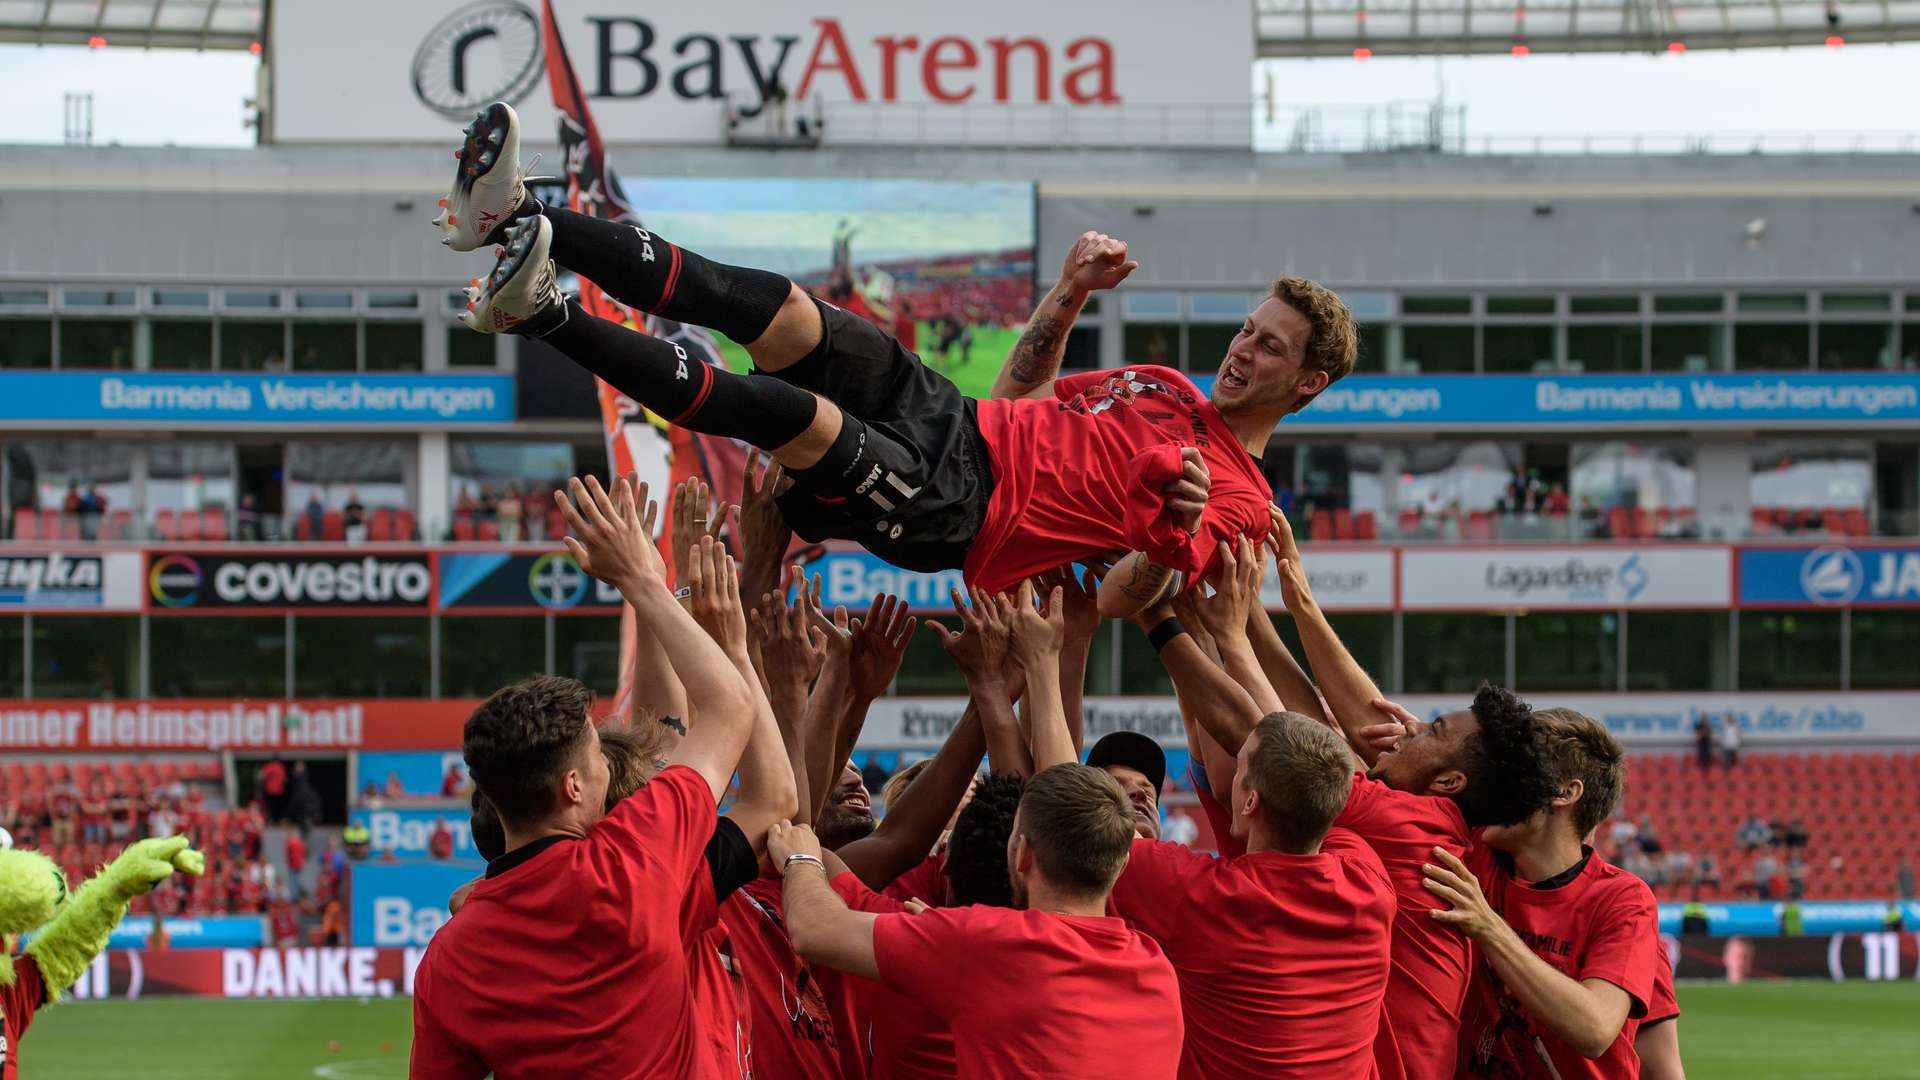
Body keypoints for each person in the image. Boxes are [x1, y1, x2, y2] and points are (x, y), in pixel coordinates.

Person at [441, 103, 1356, 598]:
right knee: (775, 307)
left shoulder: (1241, 503)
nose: (1243, 351)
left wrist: (1173, 528)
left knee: (794, 417)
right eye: (1247, 329)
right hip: (956, 417)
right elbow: (1020, 390)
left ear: (1308, 382)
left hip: (965, 511)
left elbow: (1124, 596)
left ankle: (541, 316)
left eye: (1270, 350)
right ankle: (518, 214)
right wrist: (1069, 292)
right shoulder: (1160, 387)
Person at [409, 476, 779, 1080]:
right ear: (575, 789)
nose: (612, 757)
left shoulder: (449, 957)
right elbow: (730, 710)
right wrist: (642, 581)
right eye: (598, 756)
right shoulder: (631, 860)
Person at [1250, 528, 1559, 1080]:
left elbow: (1298, 739)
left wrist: (1214, 628)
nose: (1410, 727)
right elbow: (1349, 716)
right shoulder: (1450, 817)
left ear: (1451, 782)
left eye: (1432, 729)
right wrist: (1286, 601)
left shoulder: (1414, 825)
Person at [768, 763, 1184, 1080]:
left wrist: (801, 852)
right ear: (1122, 862)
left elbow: (813, 928)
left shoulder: (989, 944)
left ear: (1022, 856)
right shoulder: (1157, 968)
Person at [1423, 707, 1662, 1079]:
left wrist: (1488, 926)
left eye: (1513, 776)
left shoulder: (1624, 900)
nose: (1492, 788)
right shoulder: (1478, 849)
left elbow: (1595, 1028)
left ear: (1564, 793)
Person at [257, 756, 287, 823]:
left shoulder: (269, 766)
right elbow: (284, 780)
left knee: (268, 807)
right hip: (279, 791)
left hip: (270, 790)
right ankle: (277, 820)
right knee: (277, 807)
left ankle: (269, 819)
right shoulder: (281, 767)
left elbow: (262, 776)